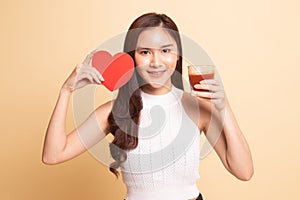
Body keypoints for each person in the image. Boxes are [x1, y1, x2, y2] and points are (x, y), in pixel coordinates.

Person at [42, 13, 254, 200]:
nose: (156, 61)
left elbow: (244, 171)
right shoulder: (115, 110)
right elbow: (53, 155)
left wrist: (223, 106)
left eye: (165, 50)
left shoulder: (197, 107)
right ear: (132, 57)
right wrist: (66, 91)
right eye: (145, 52)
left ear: (177, 55)